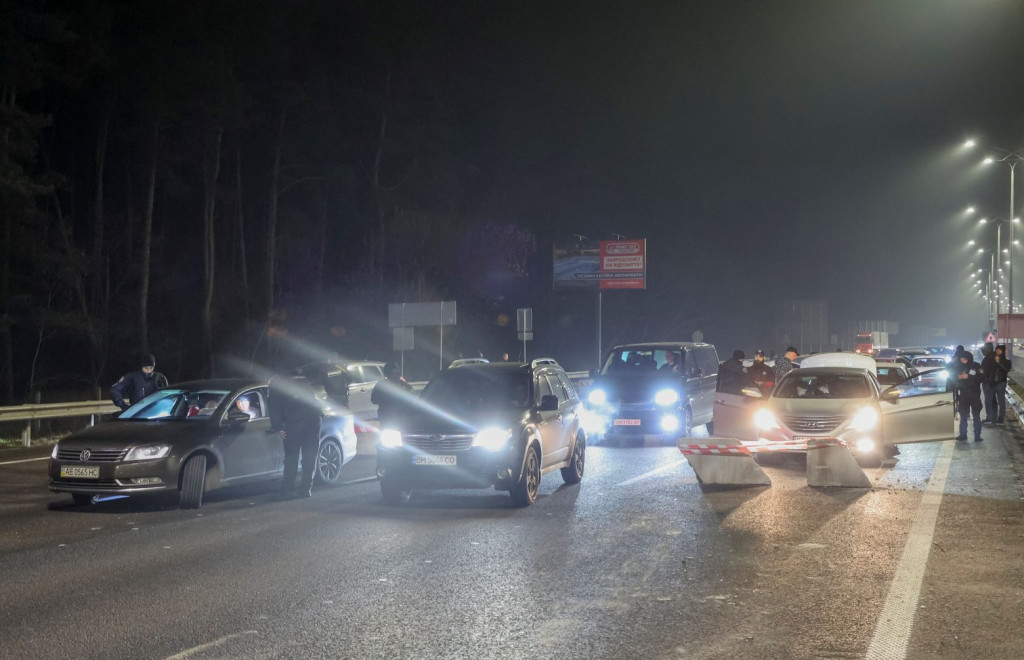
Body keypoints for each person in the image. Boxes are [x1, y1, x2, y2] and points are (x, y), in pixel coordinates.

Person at [269, 370, 323, 498]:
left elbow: (273, 407)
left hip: (294, 424)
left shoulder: (276, 385)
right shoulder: (302, 380)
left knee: (291, 458)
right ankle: (306, 489)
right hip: (314, 421)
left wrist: (277, 427)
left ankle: (287, 490)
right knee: (309, 457)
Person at [952, 348, 984, 442]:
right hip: (963, 394)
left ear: (969, 358)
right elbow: (952, 378)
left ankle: (977, 436)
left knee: (976, 416)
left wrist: (968, 377)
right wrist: (958, 377)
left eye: (964, 359)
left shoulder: (976, 366)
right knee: (963, 416)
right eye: (961, 359)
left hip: (974, 394)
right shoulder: (958, 367)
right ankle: (963, 435)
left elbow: (982, 377)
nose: (963, 361)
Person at [371, 362, 414, 427]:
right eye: (394, 373)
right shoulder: (382, 384)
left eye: (397, 372)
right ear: (387, 374)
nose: (396, 375)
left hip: (402, 418)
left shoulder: (404, 385)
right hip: (387, 417)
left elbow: (413, 397)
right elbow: (374, 399)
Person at [987, 344, 1012, 424]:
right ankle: (991, 418)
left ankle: (1001, 418)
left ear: (1003, 351)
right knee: (990, 401)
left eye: (1000, 350)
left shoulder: (1007, 361)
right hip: (991, 383)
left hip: (1001, 383)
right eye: (997, 349)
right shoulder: (992, 359)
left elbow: (1006, 369)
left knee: (1001, 401)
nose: (998, 351)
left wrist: (999, 362)